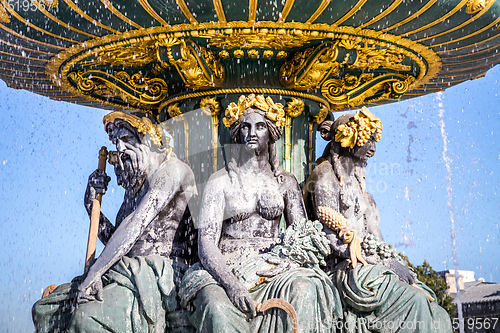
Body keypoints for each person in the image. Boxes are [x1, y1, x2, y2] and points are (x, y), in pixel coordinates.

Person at [179, 94, 340, 333]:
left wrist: (286, 264)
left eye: (260, 126)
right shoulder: (219, 181)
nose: (252, 132)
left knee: (305, 288)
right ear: (237, 134)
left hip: (275, 270)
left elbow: (305, 236)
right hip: (227, 269)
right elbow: (206, 244)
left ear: (271, 133)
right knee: (216, 308)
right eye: (245, 126)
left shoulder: (286, 182)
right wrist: (231, 284)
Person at [32, 111, 197, 333]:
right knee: (45, 310)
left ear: (148, 141)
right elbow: (117, 240)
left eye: (127, 139)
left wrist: (94, 273)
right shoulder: (134, 189)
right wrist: (91, 205)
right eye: (115, 142)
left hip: (159, 272)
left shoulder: (173, 171)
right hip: (125, 269)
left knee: (86, 319)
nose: (119, 149)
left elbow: (135, 225)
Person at [304, 108, 453, 332]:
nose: (373, 147)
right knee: (415, 301)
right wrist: (383, 263)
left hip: (369, 266)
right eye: (369, 139)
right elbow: (328, 239)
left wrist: (393, 263)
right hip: (346, 268)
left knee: (436, 310)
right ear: (351, 138)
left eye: (375, 140)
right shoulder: (324, 175)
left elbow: (379, 241)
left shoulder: (363, 191)